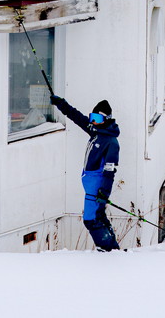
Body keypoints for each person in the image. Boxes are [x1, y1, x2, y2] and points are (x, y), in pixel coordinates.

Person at [50, 94, 121, 251]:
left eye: (98, 118)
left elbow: (110, 171)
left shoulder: (111, 142)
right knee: (99, 216)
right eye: (92, 117)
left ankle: (106, 248)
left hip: (97, 186)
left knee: (90, 219)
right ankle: (112, 248)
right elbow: (77, 117)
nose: (94, 121)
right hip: (90, 184)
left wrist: (104, 191)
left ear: (107, 119)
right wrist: (61, 104)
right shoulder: (96, 132)